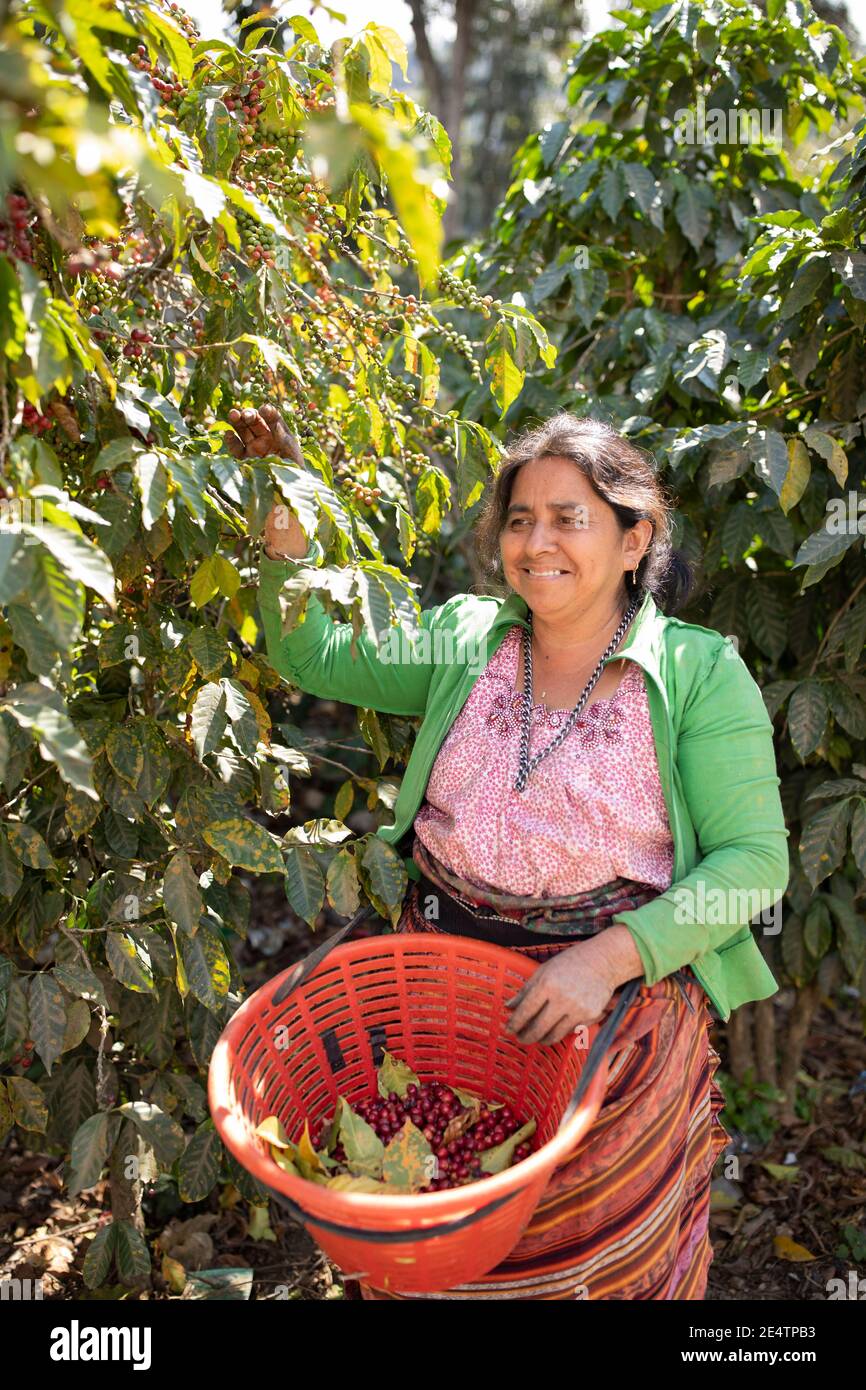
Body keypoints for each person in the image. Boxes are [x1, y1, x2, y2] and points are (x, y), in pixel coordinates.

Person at [228, 405, 790, 1300]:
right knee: (433, 1237)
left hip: (606, 1028)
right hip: (441, 1006)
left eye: (572, 518)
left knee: (589, 1262)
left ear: (636, 538)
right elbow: (315, 655)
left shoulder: (697, 672)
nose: (538, 542)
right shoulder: (470, 640)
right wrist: (288, 512)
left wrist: (605, 961)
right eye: (521, 519)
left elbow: (754, 865)